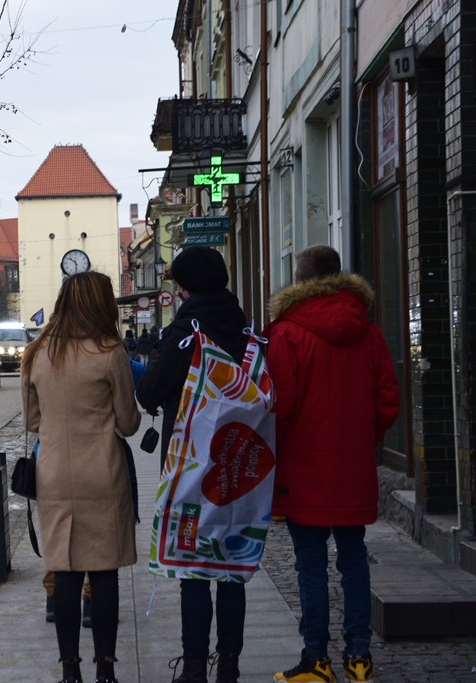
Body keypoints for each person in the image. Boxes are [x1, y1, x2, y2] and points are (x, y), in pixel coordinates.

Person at [267, 246, 399, 683]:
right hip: (352, 466)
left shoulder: (288, 333)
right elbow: (388, 400)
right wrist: (362, 439)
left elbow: (280, 407)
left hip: (303, 467)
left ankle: (317, 659)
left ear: (300, 282)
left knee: (310, 564)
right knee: (353, 559)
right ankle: (359, 658)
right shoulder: (368, 331)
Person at [135, 246, 249, 683]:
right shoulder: (245, 330)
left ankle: (195, 667)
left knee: (194, 569)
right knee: (232, 568)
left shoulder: (185, 332)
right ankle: (230, 666)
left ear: (186, 289)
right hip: (238, 465)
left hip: (189, 467)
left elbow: (148, 392)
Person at [21, 271, 140, 683]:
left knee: (65, 571)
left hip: (54, 473)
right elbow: (128, 422)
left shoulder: (37, 353)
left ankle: (70, 670)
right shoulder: (110, 351)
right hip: (102, 472)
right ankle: (105, 668)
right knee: (104, 572)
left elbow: (32, 420)